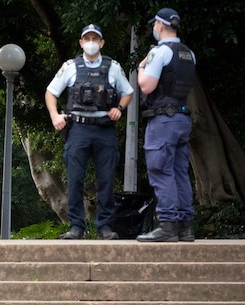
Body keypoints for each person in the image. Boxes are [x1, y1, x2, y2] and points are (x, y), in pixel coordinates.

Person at [45, 24, 134, 240]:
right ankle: (76, 227)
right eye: (88, 38)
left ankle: (104, 226)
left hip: (104, 129)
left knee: (106, 179)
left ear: (102, 43)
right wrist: (55, 116)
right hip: (78, 129)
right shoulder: (70, 67)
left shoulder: (112, 67)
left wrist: (119, 108)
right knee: (75, 179)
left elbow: (128, 92)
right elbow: (50, 92)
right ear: (81, 42)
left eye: (96, 38)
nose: (92, 42)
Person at [136, 8, 197, 243]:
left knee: (161, 170)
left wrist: (142, 67)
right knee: (180, 172)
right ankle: (185, 227)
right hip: (182, 118)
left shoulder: (159, 52)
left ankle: (168, 225)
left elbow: (147, 86)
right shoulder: (188, 53)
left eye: (155, 25)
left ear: (160, 25)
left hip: (163, 120)